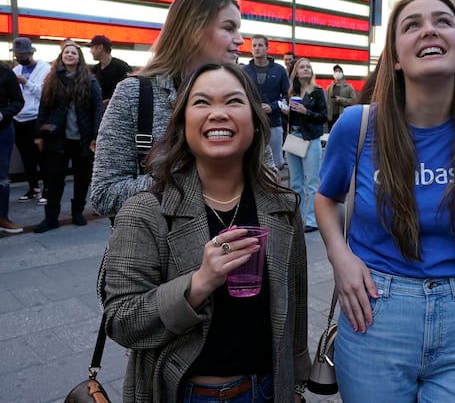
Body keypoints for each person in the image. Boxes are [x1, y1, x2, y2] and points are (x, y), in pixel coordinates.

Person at [314, 0, 455, 402]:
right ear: (395, 57)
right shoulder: (357, 125)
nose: (429, 30)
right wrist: (340, 258)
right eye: (412, 25)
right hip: (375, 314)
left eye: (443, 22)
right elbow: (326, 198)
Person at [102, 62, 311, 402]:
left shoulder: (282, 206)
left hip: (268, 390)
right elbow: (122, 320)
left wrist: (296, 382)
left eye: (233, 101)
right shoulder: (146, 210)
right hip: (182, 393)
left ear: (256, 123)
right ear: (182, 124)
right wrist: (198, 284)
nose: (218, 114)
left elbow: (295, 306)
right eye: (201, 103)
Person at [90, 0, 272, 220]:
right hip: (161, 251)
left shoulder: (243, 91)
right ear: (194, 28)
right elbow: (104, 195)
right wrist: (194, 176)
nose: (240, 40)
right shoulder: (134, 93)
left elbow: (268, 177)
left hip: (237, 244)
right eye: (229, 28)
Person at [33, 42, 103, 233]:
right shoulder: (52, 78)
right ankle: (50, 218)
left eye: (74, 52)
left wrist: (96, 134)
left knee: (81, 178)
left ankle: (77, 212)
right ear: (61, 56)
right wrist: (39, 135)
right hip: (57, 139)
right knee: (54, 180)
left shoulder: (90, 80)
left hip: (83, 138)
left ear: (79, 57)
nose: (70, 55)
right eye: (67, 52)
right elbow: (43, 108)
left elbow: (98, 108)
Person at [281, 58, 326, 233]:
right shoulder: (292, 92)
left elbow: (323, 116)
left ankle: (312, 220)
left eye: (308, 66)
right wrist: (286, 113)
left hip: (310, 139)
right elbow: (288, 119)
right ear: (296, 72)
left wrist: (306, 112)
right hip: (294, 138)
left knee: (312, 182)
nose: (306, 69)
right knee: (296, 183)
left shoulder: (317, 91)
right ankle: (297, 218)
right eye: (302, 67)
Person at [242, 34, 289, 170]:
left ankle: (276, 189)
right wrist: (255, 106)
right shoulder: (245, 71)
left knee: (276, 164)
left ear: (267, 48)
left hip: (274, 122)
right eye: (254, 46)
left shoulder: (279, 70)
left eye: (260, 45)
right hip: (252, 123)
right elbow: (241, 95)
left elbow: (286, 95)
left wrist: (273, 106)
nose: (257, 48)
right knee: (252, 163)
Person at [11, 37, 50, 203]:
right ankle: (33, 188)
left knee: (42, 156)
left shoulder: (45, 68)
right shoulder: (16, 70)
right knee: (26, 157)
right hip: (19, 119)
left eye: (22, 55)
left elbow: (45, 94)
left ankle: (47, 190)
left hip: (36, 118)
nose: (19, 58)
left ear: (30, 53)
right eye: (17, 55)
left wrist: (26, 82)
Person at [0, 60, 24, 234]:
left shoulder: (6, 73)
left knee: (1, 176)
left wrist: (2, 114)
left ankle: (2, 218)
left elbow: (18, 102)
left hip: (2, 131)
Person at [89, 34, 131, 107]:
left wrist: (110, 101)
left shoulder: (122, 67)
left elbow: (129, 90)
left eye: (92, 48)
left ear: (100, 48)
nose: (90, 51)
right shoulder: (95, 69)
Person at [325, 64, 356, 131]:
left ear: (342, 73)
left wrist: (340, 100)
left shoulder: (348, 87)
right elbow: (326, 102)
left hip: (343, 116)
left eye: (339, 71)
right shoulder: (329, 88)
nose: (337, 73)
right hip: (331, 117)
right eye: (335, 71)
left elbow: (353, 101)